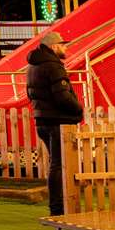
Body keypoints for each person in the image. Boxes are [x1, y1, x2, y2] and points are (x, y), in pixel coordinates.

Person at [26, 30, 83, 217]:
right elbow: (63, 97)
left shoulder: (33, 66)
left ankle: (58, 206)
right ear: (53, 47)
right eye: (63, 44)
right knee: (58, 166)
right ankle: (57, 208)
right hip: (58, 121)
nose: (66, 47)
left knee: (55, 164)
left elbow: (30, 94)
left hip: (42, 119)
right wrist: (79, 110)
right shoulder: (53, 66)